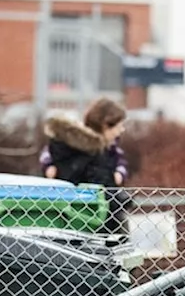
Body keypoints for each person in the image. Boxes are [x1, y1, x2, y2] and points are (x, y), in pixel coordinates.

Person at [38, 97, 131, 235]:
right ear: (106, 125)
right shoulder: (96, 153)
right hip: (98, 221)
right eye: (119, 126)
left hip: (68, 217)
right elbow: (102, 185)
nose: (122, 130)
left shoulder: (66, 146)